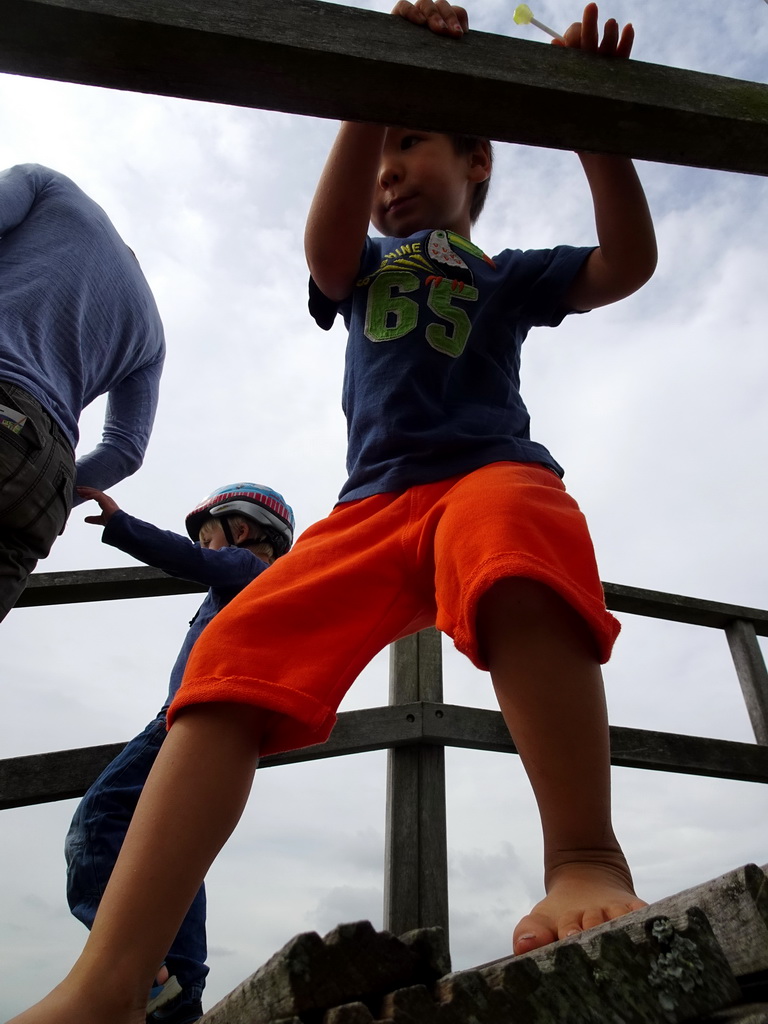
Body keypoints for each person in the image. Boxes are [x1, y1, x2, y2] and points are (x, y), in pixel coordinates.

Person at [8, 4, 657, 1022]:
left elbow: (627, 265)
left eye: (411, 144)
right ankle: (110, 978)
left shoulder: (509, 274)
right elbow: (323, 246)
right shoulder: (358, 270)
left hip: (483, 474)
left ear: (477, 164)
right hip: (366, 510)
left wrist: (593, 123)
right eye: (378, 150)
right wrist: (369, 91)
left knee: (518, 530)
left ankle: (583, 855)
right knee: (228, 661)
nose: (388, 170)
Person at [64, 481, 295, 1024]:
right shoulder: (250, 587)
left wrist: (123, 527)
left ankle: (138, 968)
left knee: (98, 821)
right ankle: (180, 990)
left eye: (207, 534)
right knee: (176, 858)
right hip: (210, 724)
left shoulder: (245, 568)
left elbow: (183, 558)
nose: (204, 548)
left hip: (182, 721)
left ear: (239, 529)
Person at [0, 164, 165, 622]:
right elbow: (126, 450)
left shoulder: (45, 184)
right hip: (45, 483)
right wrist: (57, 490)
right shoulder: (151, 328)